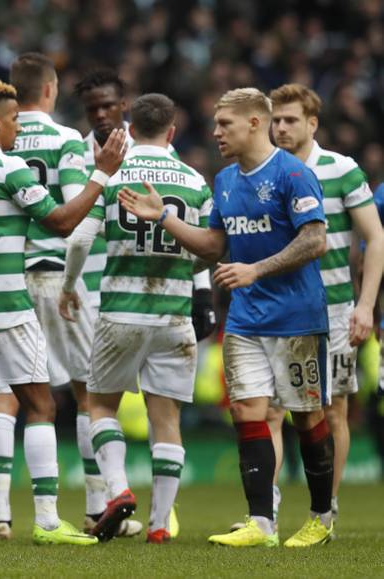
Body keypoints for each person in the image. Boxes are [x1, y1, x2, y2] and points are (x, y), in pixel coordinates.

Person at [120, 87, 335, 548]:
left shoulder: (293, 174)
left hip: (297, 316)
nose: (215, 132)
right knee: (245, 410)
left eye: (225, 124)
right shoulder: (225, 181)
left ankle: (321, 517)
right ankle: (261, 523)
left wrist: (255, 268)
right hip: (246, 317)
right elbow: (216, 245)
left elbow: (315, 240)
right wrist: (163, 219)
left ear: (255, 122)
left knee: (306, 415)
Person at [0, 77, 126, 548]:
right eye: (14, 119)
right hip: (4, 306)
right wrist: (100, 175)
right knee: (41, 404)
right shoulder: (9, 168)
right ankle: (48, 519)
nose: (18, 127)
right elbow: (61, 222)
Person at [59, 93, 212, 544]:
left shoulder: (112, 177)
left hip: (120, 312)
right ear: (172, 131)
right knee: (166, 418)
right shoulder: (193, 179)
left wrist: (69, 286)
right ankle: (160, 523)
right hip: (173, 314)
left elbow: (80, 242)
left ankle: (118, 488)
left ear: (129, 128)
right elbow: (205, 248)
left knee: (102, 405)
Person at [259, 84, 383, 528]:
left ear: (313, 124)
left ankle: (325, 511)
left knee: (334, 411)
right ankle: (264, 514)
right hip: (276, 310)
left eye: (290, 120)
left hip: (333, 310)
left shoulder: (342, 169)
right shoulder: (262, 170)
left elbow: (376, 236)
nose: (280, 128)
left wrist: (365, 306)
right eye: (275, 120)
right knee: (271, 410)